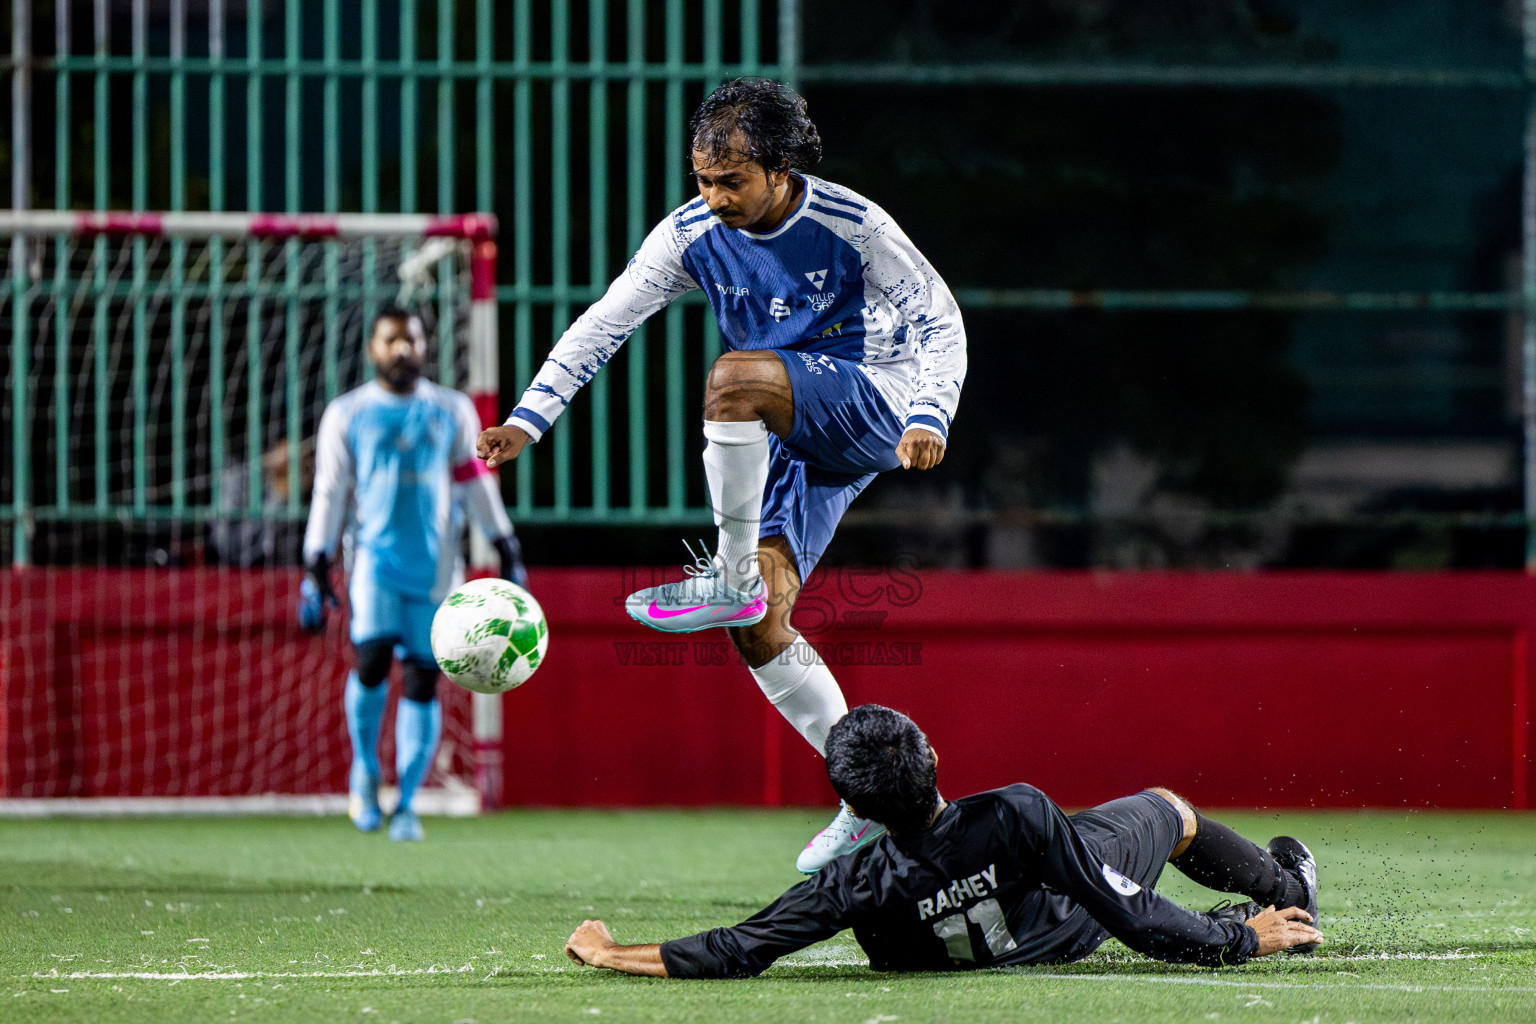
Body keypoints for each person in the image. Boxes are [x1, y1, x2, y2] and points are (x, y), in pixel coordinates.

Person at [475, 78, 967, 872]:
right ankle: (875, 803)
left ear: (780, 167)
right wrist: (530, 418)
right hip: (795, 436)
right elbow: (606, 320)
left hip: (874, 398)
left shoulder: (854, 224)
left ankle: (726, 572)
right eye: (702, 179)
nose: (713, 196)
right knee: (759, 623)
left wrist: (928, 416)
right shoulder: (690, 233)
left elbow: (939, 318)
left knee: (733, 378)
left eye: (731, 180)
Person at [562, 704, 1323, 977]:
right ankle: (1288, 893)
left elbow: (737, 950)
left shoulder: (850, 883)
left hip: (970, 945)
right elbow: (1122, 909)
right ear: (932, 760)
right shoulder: (1015, 813)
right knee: (1167, 808)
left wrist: (607, 951)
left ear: (852, 806)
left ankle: (1252, 913)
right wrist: (1238, 942)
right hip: (1060, 929)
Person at [300, 306, 526, 842]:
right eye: (391, 340)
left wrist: (506, 546)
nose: (402, 349)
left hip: (436, 571)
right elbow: (330, 492)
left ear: (425, 346)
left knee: (423, 681)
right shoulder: (347, 413)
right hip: (373, 565)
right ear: (372, 348)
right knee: (373, 661)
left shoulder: (451, 410)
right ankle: (364, 771)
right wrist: (314, 562)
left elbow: (474, 484)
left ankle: (404, 803)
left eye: (411, 339)